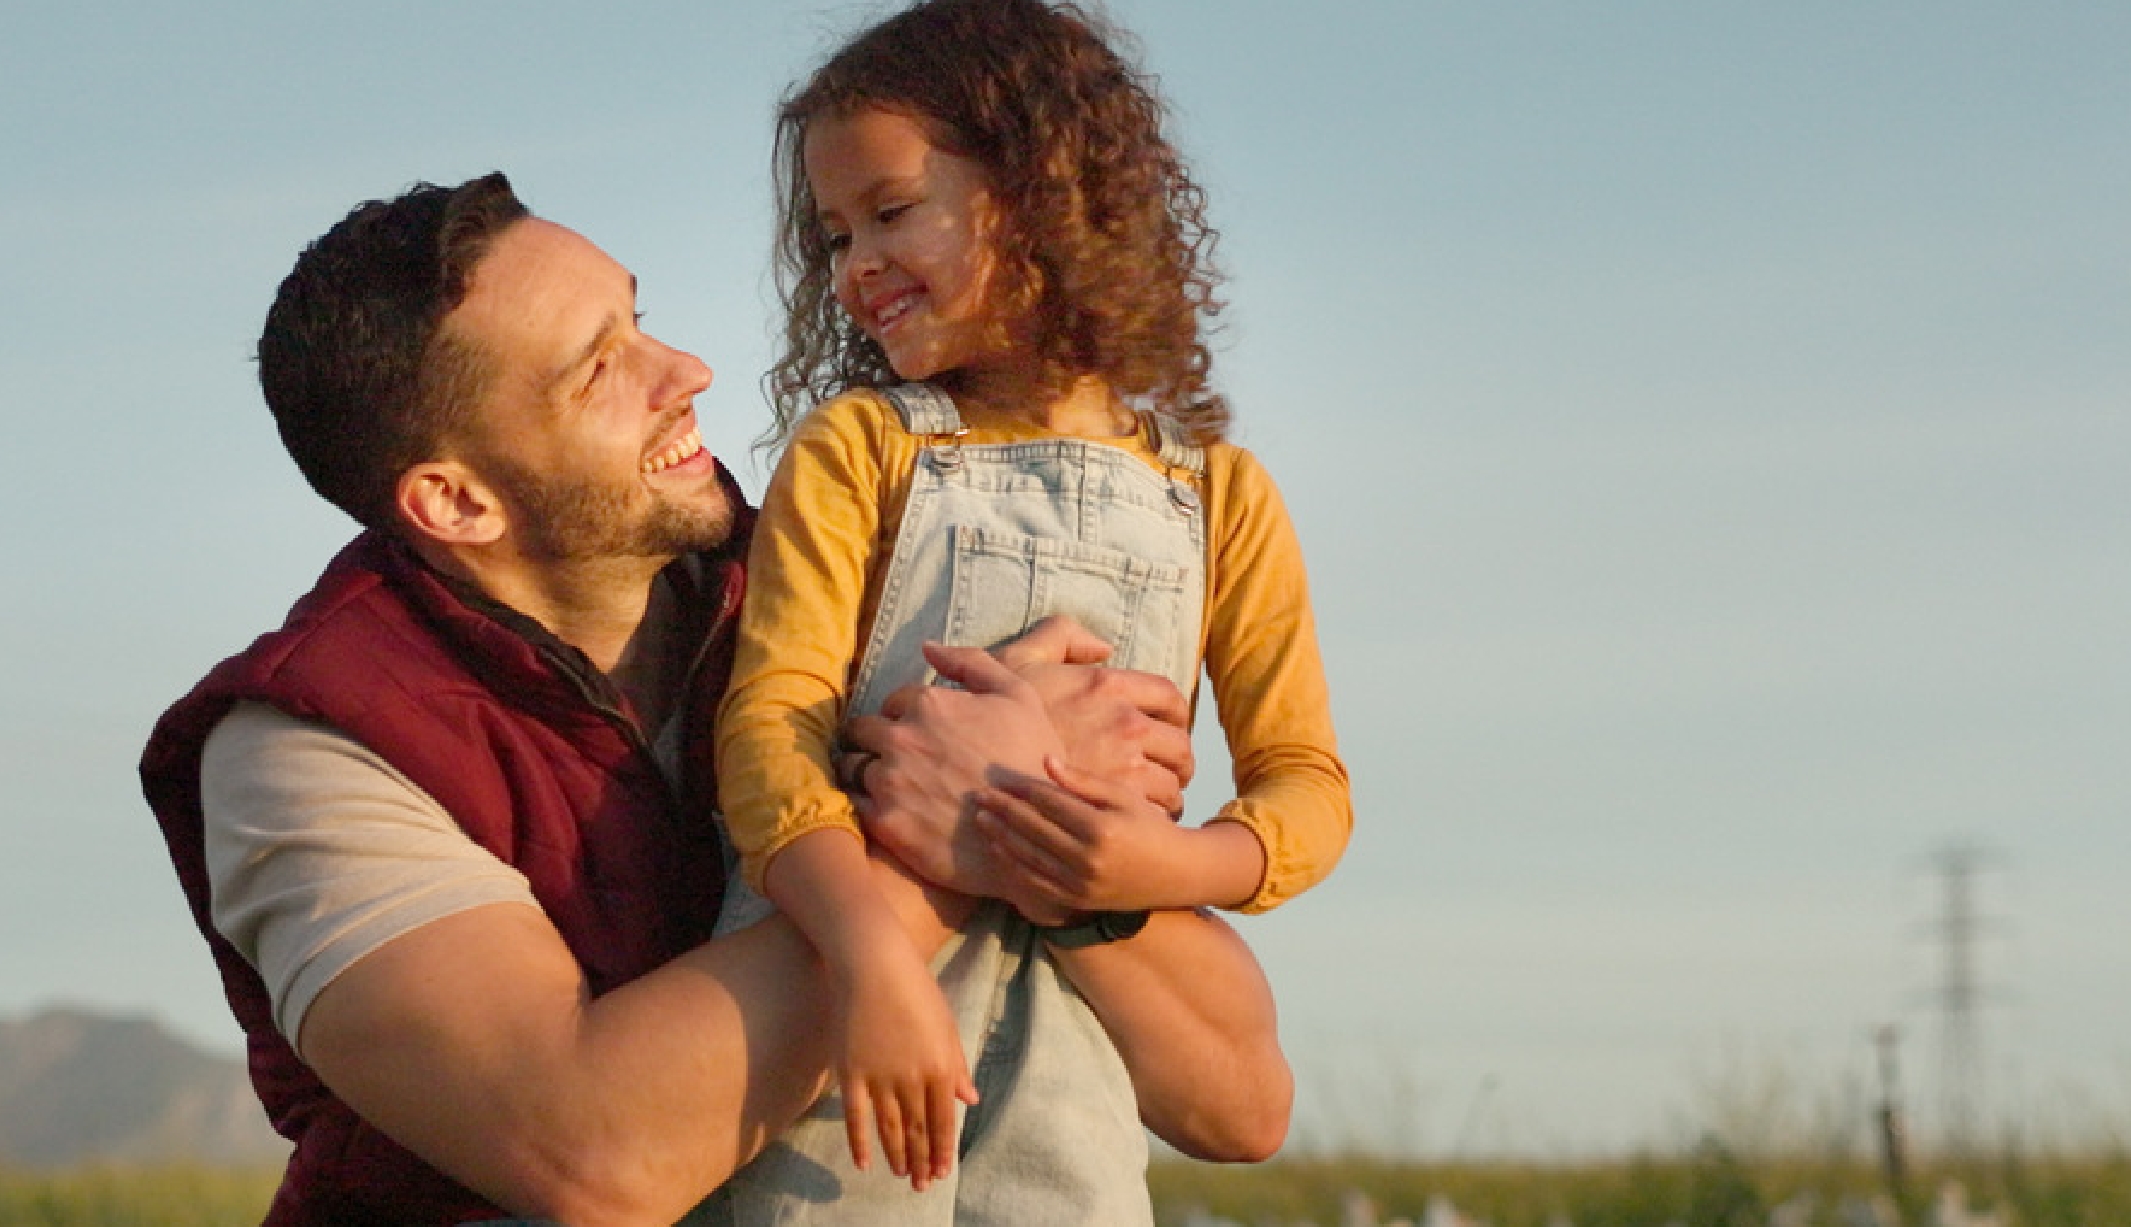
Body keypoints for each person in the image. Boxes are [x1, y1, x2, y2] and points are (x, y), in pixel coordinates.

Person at [139, 173, 1292, 1227]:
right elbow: (591, 1152)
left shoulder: (832, 599)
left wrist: (1035, 825)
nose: (683, 371)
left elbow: (1239, 1105)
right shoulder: (311, 746)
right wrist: (958, 832)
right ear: (455, 501)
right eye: (601, 367)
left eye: (638, 317)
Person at [713, 0, 1351, 1216]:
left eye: (892, 213)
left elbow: (1306, 789)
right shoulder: (860, 450)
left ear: (1044, 194)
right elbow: (768, 726)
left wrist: (1148, 868)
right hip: (845, 1038)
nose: (857, 267)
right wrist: (865, 953)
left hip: (1080, 1061)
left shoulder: (1222, 496)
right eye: (835, 236)